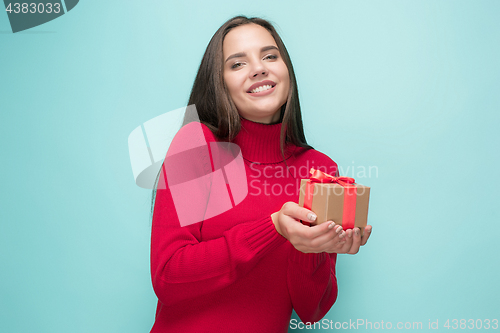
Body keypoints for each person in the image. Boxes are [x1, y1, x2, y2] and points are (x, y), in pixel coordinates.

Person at [150, 16, 372, 333]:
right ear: (219, 83)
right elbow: (168, 276)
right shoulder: (196, 144)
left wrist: (310, 249)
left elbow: (312, 310)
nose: (259, 68)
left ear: (286, 70)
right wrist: (273, 227)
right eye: (237, 64)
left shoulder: (319, 169)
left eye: (270, 56)